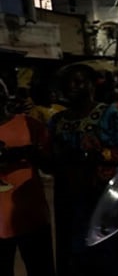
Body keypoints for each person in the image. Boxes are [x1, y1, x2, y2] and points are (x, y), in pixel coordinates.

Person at [48, 64, 118, 276]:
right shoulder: (57, 120)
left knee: (108, 255)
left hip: (103, 198)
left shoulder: (108, 114)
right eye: (68, 84)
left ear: (92, 85)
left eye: (79, 81)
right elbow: (50, 159)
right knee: (74, 254)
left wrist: (101, 154)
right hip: (68, 197)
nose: (73, 87)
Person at [0, 78, 56, 276]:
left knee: (41, 270)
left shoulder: (30, 125)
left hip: (32, 217)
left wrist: (31, 153)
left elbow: (50, 166)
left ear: (5, 96)